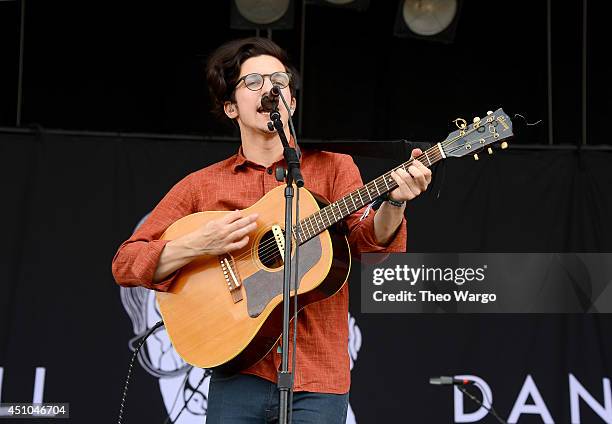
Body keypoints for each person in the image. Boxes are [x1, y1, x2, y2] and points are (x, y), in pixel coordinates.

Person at [112, 37, 432, 423]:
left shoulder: (334, 167)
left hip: (318, 377)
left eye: (279, 81)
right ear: (231, 107)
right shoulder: (202, 187)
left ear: (291, 103)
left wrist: (395, 202)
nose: (269, 89)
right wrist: (199, 243)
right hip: (238, 376)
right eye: (253, 82)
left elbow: (372, 248)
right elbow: (126, 263)